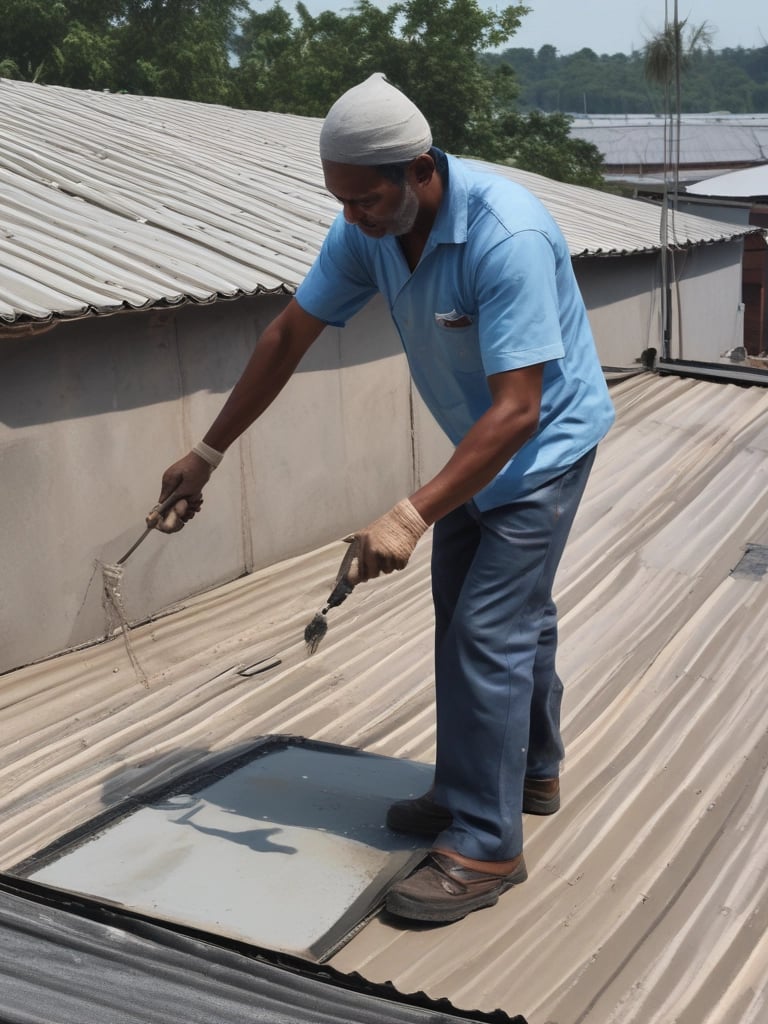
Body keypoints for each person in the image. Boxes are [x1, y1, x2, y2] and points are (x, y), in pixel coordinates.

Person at [152, 73, 615, 924]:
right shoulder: (368, 231)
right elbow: (287, 335)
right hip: (478, 445)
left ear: (421, 168)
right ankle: (521, 773)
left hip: (543, 446)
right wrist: (207, 454)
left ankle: (487, 845)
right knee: (477, 616)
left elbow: (520, 409)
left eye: (366, 198)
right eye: (342, 200)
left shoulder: (505, 235)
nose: (353, 216)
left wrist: (411, 512)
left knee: (489, 629)